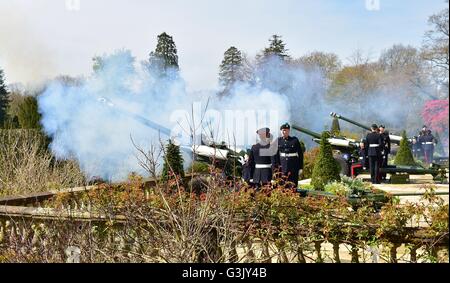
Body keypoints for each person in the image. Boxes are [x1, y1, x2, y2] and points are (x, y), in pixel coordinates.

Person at [272, 123, 304, 189]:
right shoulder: (278, 141)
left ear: (289, 131)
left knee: (293, 185)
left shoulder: (294, 140)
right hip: (282, 167)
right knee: (282, 185)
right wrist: (275, 167)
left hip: (293, 167)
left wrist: (300, 167)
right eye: (283, 130)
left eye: (286, 130)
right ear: (281, 131)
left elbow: (300, 154)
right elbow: (274, 155)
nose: (284, 132)